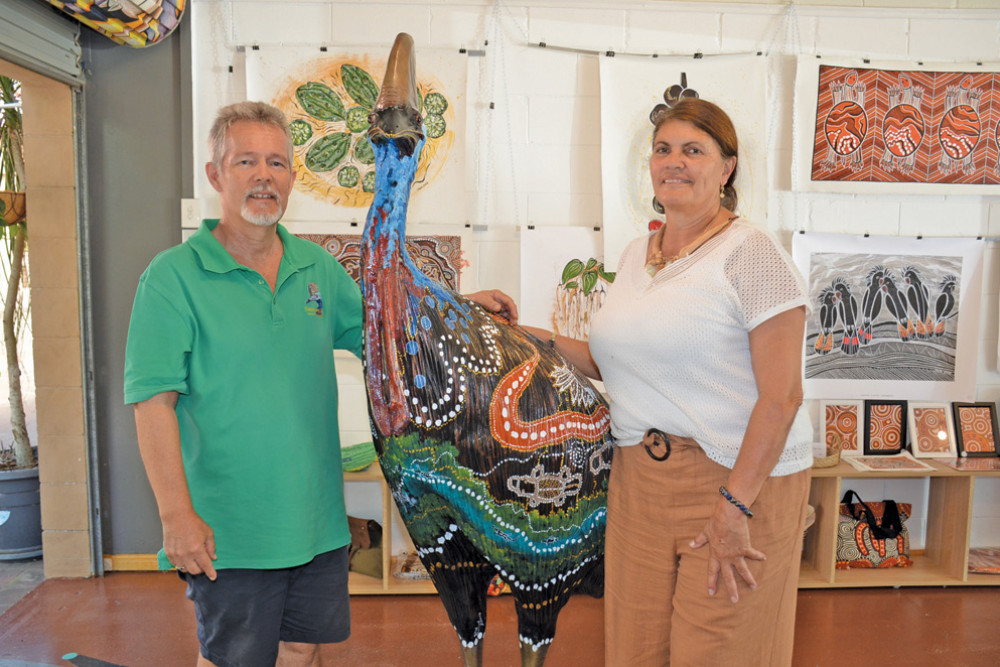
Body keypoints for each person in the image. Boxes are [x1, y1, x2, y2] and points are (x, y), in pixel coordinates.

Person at [123, 101, 516, 667]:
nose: (264, 176)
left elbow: (386, 335)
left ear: (290, 177)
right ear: (215, 174)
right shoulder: (172, 277)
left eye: (277, 163)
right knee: (234, 658)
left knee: (302, 650)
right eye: (246, 162)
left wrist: (458, 309)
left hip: (315, 521)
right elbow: (151, 404)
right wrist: (175, 516)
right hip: (230, 527)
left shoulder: (316, 269)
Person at [526, 98, 812, 665]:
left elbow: (782, 398)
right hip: (641, 482)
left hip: (734, 478)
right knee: (635, 647)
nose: (673, 162)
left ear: (727, 168)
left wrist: (735, 505)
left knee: (718, 650)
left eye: (693, 150)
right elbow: (621, 364)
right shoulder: (638, 254)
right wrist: (524, 334)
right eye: (663, 149)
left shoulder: (752, 254)